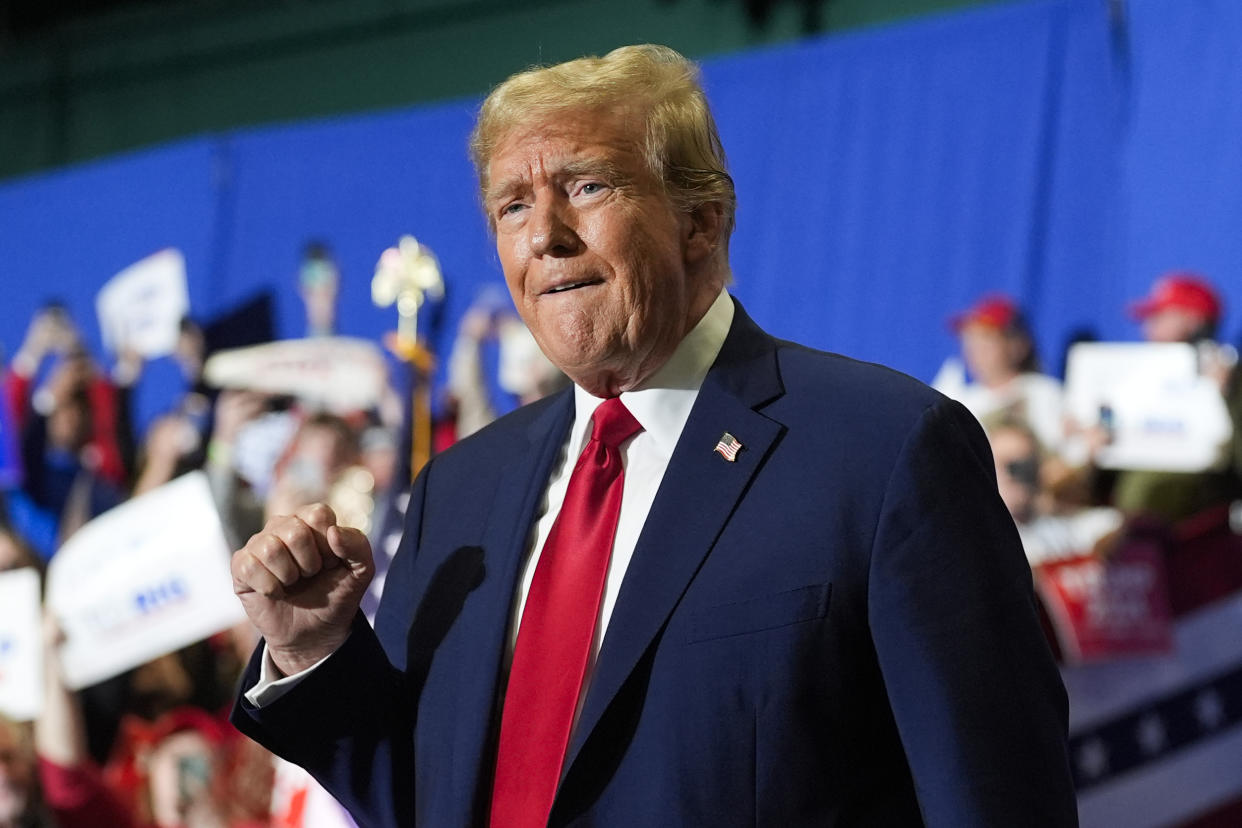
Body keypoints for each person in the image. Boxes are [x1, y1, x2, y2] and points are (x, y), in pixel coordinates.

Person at [229, 44, 1077, 827]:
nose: (544, 236)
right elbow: (428, 800)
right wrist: (313, 652)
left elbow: (995, 799)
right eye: (512, 205)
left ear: (701, 221)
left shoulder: (884, 453)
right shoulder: (460, 489)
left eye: (588, 186)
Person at [933, 293, 1065, 454]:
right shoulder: (961, 401)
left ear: (1018, 346)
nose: (975, 350)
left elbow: (1061, 460)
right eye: (970, 340)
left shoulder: (1044, 394)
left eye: (987, 339)